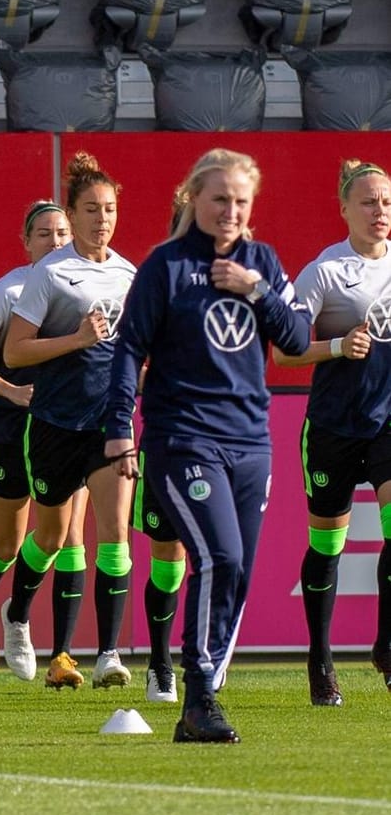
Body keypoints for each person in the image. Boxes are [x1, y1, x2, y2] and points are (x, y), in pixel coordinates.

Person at [105, 148, 310, 742]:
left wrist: (257, 291)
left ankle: (204, 691)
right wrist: (121, 429)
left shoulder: (261, 261)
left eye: (241, 201)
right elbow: (128, 351)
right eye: (220, 198)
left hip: (250, 441)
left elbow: (296, 338)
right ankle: (197, 696)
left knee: (237, 572)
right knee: (218, 558)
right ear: (194, 197)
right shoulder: (165, 267)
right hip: (183, 438)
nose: (231, 211)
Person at [1, 153, 136, 690]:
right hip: (56, 421)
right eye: (91, 209)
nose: (102, 219)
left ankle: (108, 653)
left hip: (110, 422)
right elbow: (15, 352)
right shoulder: (49, 274)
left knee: (115, 532)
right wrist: (77, 339)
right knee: (53, 537)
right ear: (73, 217)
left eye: (109, 209)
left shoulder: (129, 274)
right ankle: (16, 614)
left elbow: (132, 349)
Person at [0, 201, 95, 682]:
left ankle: (53, 649)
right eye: (43, 234)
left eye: (61, 233)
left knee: (66, 536)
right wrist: (12, 390)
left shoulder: (88, 287)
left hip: (67, 427)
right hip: (12, 432)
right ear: (25, 241)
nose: (54, 242)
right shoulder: (9, 291)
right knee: (8, 543)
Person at [276, 159, 391, 706]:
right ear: (345, 209)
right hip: (333, 426)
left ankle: (386, 647)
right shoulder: (325, 271)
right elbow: (285, 348)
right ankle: (320, 660)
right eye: (368, 201)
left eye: (386, 201)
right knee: (328, 544)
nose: (380, 211)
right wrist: (338, 347)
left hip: (387, 423)